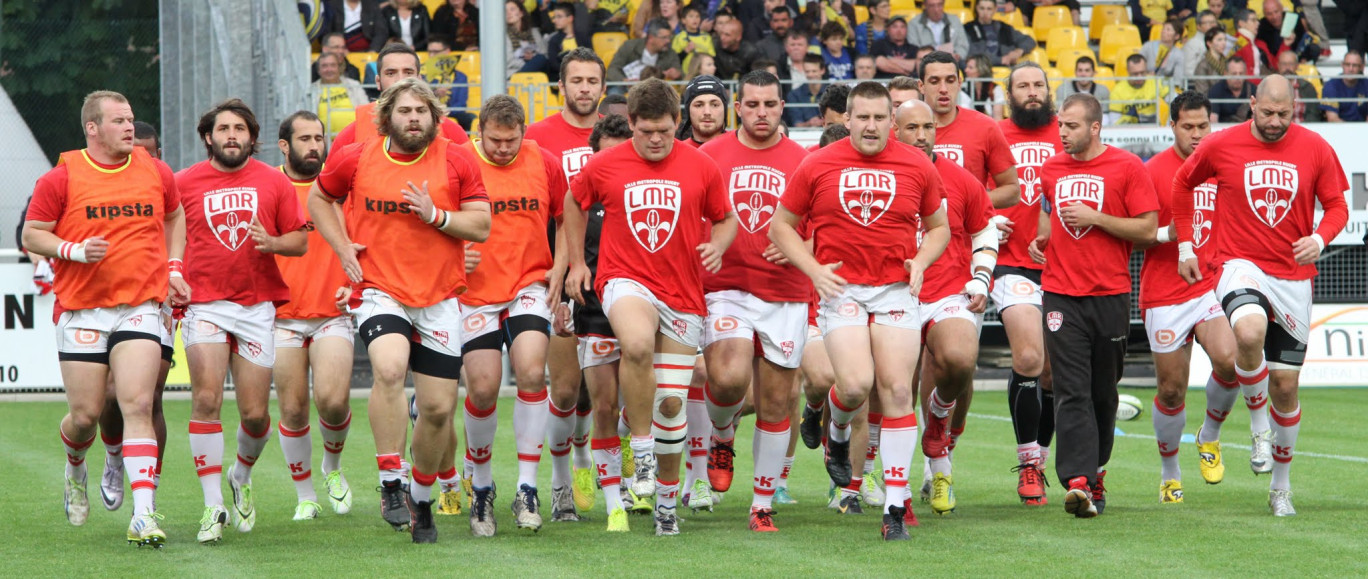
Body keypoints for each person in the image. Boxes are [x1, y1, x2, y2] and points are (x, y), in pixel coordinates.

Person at [310, 78, 491, 542]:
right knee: (389, 369)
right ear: (387, 116)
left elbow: (482, 225)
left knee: (436, 409)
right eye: (405, 111)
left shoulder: (456, 157)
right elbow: (319, 197)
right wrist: (342, 247)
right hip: (379, 289)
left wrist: (437, 216)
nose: (414, 118)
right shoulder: (357, 157)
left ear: (435, 117)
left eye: (422, 111)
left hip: (439, 297)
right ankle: (391, 478)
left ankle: (422, 499)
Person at [771, 81, 949, 541]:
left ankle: (893, 506)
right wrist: (812, 269)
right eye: (862, 117)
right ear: (846, 119)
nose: (871, 126)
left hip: (893, 290)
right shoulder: (816, 163)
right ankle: (834, 427)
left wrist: (921, 263)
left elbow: (939, 229)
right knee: (853, 385)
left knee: (895, 391)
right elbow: (781, 226)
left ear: (892, 122)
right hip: (842, 288)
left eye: (879, 118)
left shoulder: (917, 164)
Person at [562, 78, 738, 536]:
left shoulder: (701, 166)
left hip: (682, 292)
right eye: (646, 131)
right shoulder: (605, 164)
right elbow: (574, 201)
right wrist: (578, 262)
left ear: (676, 124)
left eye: (663, 130)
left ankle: (664, 503)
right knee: (636, 344)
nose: (655, 139)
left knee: (673, 404)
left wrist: (718, 246)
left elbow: (725, 218)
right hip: (624, 279)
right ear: (633, 125)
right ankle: (639, 447)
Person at [1171, 75, 1349, 516]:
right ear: (1251, 104)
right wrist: (1186, 246)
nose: (1274, 122)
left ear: (1296, 109)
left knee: (1286, 387)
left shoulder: (1316, 148)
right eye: (1266, 113)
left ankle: (1281, 487)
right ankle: (1256, 425)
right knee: (1248, 333)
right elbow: (1182, 185)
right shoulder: (1221, 144)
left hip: (1292, 275)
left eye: (1283, 114)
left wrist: (1321, 238)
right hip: (1238, 264)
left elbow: (1339, 205)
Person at [24, 90, 187, 547]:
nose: (129, 127)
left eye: (131, 119)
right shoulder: (62, 176)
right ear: (92, 128)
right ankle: (76, 467)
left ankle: (144, 513)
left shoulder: (155, 170)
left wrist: (173, 268)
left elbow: (176, 217)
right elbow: (32, 233)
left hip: (140, 305)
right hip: (81, 308)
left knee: (136, 404)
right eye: (118, 121)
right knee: (86, 416)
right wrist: (73, 250)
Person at [177, 99, 309, 543]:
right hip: (205, 303)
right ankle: (213, 505)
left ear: (253, 138)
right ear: (207, 137)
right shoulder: (181, 184)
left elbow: (298, 241)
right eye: (223, 128)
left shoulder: (275, 181)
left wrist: (272, 243)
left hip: (257, 306)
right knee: (207, 398)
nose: (231, 135)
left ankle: (240, 474)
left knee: (254, 416)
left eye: (240, 129)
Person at [1028, 92, 1158, 518]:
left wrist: (1097, 218)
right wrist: (1042, 237)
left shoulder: (1127, 168)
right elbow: (1049, 211)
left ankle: (1097, 471)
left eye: (1071, 126)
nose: (1062, 133)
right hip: (1061, 294)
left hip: (1110, 294)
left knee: (1104, 391)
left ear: (1095, 127)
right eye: (1060, 125)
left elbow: (1147, 228)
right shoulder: (1050, 168)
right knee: (1070, 388)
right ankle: (1078, 481)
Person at [695, 70, 809, 532]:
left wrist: (803, 245)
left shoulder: (805, 161)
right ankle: (722, 434)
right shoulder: (708, 155)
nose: (762, 112)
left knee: (777, 402)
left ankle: (761, 505)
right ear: (737, 107)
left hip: (785, 293)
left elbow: (826, 224)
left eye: (770, 104)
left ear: (783, 107)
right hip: (726, 287)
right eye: (753, 104)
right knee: (727, 379)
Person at [458, 95, 567, 535]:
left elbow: (567, 213)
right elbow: (436, 218)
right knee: (482, 389)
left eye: (512, 140)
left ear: (524, 131)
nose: (504, 149)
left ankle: (527, 487)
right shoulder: (459, 161)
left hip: (529, 283)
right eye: (495, 140)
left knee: (531, 372)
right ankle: (481, 489)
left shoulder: (543, 161)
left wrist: (563, 263)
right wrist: (452, 252)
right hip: (475, 291)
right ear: (479, 130)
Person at [893, 98, 998, 517]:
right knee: (894, 391)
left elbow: (985, 228)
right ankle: (912, 484)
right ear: (894, 131)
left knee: (959, 358)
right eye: (912, 128)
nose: (921, 136)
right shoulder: (878, 175)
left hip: (946, 290)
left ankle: (938, 419)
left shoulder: (960, 179)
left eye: (928, 127)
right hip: (891, 295)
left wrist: (981, 277)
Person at [1138, 91, 1240, 505]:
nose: (1197, 135)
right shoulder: (1151, 172)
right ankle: (1169, 472)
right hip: (1164, 290)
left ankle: (1209, 435)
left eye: (1203, 126)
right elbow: (1139, 230)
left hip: (1209, 287)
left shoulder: (1222, 169)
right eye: (1188, 127)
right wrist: (1166, 236)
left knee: (1231, 362)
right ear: (1173, 126)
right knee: (1171, 390)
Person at [525, 47, 607, 520]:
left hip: (606, 276)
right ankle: (560, 484)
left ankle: (582, 455)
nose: (584, 89)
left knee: (600, 391)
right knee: (564, 388)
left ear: (602, 87)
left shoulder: (621, 135)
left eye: (592, 81)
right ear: (561, 86)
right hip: (553, 276)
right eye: (575, 80)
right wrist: (555, 270)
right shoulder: (536, 139)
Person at [270, 110, 356, 521]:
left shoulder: (341, 189)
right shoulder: (269, 186)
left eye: (319, 138)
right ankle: (305, 494)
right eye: (304, 138)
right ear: (284, 145)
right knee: (292, 409)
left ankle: (333, 469)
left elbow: (365, 241)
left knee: (334, 401)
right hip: (280, 316)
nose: (314, 146)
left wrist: (355, 285)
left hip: (332, 312)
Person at [562, 113, 634, 531]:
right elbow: (561, 242)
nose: (612, 164)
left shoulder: (645, 192)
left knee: (643, 397)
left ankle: (626, 451)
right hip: (593, 308)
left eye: (619, 155)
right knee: (594, 400)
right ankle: (596, 475)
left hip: (648, 305)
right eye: (604, 156)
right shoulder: (582, 201)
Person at [994, 62, 1062, 506]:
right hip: (1009, 264)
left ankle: (1039, 453)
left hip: (1062, 270)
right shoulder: (993, 136)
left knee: (1054, 373)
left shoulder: (1070, 131)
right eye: (1023, 86)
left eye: (1038, 85)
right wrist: (988, 221)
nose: (1032, 93)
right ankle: (1030, 465)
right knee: (1030, 355)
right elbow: (972, 192)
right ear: (1009, 93)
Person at [328, 43, 469, 159]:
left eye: (408, 72)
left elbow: (474, 183)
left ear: (419, 79)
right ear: (378, 81)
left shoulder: (449, 129)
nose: (400, 80)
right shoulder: (352, 133)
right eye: (391, 73)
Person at [919, 51, 1018, 209]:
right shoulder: (901, 130)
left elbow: (1012, 190)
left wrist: (969, 201)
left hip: (969, 232)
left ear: (959, 83)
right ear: (921, 86)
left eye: (950, 81)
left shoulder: (985, 127)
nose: (943, 89)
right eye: (934, 81)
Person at [606, 19, 683, 90]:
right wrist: (624, 81)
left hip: (655, 90)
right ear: (651, 38)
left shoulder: (670, 53)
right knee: (615, 93)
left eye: (669, 37)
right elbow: (612, 69)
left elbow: (681, 73)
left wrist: (677, 74)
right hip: (625, 88)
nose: (668, 41)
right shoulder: (629, 46)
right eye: (664, 37)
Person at [309, 53, 371, 136]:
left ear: (339, 68)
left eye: (333, 65)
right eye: (324, 66)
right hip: (326, 141)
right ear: (318, 70)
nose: (329, 69)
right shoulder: (312, 90)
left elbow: (366, 110)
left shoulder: (353, 85)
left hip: (356, 136)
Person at [964, 0, 1035, 66]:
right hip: (981, 68)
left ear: (995, 9)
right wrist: (1000, 60)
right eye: (982, 8)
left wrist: (1018, 51)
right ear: (977, 8)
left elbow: (1029, 40)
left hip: (1007, 67)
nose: (985, 12)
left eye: (989, 9)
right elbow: (971, 54)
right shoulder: (968, 28)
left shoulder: (1004, 28)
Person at [1110, 53, 1170, 125]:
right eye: (1135, 74)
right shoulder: (1117, 91)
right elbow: (1114, 121)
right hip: (1128, 129)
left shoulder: (1155, 81)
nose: (1140, 77)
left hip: (1153, 127)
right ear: (1128, 71)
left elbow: (1173, 100)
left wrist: (1168, 124)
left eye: (1142, 72)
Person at [1256, 0, 1321, 64]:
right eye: (1269, 14)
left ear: (1282, 9)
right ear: (1264, 14)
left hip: (1296, 55)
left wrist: (1304, 58)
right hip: (1276, 59)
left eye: (1276, 12)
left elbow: (1303, 40)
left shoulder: (1293, 18)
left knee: (1314, 48)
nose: (1274, 16)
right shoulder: (1261, 26)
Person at [677, 75, 730, 146]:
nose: (707, 112)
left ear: (725, 109)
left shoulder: (739, 148)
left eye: (715, 105)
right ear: (688, 110)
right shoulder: (677, 153)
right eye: (699, 105)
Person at [547, 3, 592, 82]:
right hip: (562, 78)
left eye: (559, 16)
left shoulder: (583, 38)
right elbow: (553, 64)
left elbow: (591, 58)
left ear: (570, 18)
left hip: (583, 76)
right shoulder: (554, 40)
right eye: (554, 17)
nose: (555, 20)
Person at [1321, 50, 1368, 122]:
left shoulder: (1366, 84)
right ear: (1342, 65)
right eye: (1347, 64)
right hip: (1338, 130)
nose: (1350, 69)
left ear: (1361, 67)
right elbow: (1332, 119)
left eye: (1355, 65)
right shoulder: (1331, 86)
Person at [505, 0, 549, 77]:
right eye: (505, 11)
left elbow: (544, 54)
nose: (508, 13)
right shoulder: (503, 35)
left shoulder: (534, 32)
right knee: (539, 59)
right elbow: (508, 60)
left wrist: (533, 58)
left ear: (521, 13)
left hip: (537, 71)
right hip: (515, 73)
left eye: (512, 9)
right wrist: (528, 62)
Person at [323, 0, 387, 52]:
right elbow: (326, 32)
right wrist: (340, 49)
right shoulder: (332, 5)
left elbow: (381, 32)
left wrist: (373, 50)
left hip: (368, 52)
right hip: (339, 52)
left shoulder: (371, 5)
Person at [1183, 11, 1232, 80]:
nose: (1212, 25)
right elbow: (1188, 71)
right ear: (1198, 26)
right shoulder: (1192, 44)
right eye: (1207, 23)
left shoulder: (1222, 41)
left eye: (1213, 22)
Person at [1277, 49, 1322, 123]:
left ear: (1297, 66)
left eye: (1291, 64)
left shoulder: (1308, 87)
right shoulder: (1269, 87)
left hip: (1303, 129)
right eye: (1284, 64)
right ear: (1278, 65)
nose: (1287, 68)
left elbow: (1313, 114)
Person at [784, 54, 827, 128]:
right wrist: (809, 123)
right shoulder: (794, 95)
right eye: (807, 71)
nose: (810, 75)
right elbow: (796, 125)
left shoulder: (832, 93)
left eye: (814, 71)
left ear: (822, 71)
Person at [674, 3, 717, 75]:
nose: (695, 19)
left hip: (705, 74)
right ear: (683, 20)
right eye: (691, 16)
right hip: (686, 75)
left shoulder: (706, 37)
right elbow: (675, 60)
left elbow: (712, 56)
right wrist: (685, 51)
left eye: (697, 16)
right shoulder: (679, 37)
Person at [1208, 56, 1254, 123]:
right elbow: (1213, 121)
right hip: (1224, 131)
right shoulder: (1215, 91)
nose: (1238, 77)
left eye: (1241, 74)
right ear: (1225, 74)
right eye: (1234, 74)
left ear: (1245, 73)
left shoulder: (1253, 90)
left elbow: (1257, 119)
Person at [1190, 26, 1229, 97]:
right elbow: (1201, 91)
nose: (1224, 43)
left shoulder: (1228, 62)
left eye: (1225, 40)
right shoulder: (1202, 65)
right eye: (1219, 40)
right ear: (1209, 43)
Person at [963, 54, 1005, 118]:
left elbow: (998, 119)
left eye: (970, 68)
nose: (966, 70)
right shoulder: (963, 89)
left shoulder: (995, 89)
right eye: (966, 67)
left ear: (981, 70)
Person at [1232, 8, 1270, 77]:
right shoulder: (1237, 43)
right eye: (1253, 20)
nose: (1258, 23)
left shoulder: (1261, 44)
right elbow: (1237, 72)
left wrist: (1285, 44)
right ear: (1242, 24)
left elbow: (1273, 65)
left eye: (1257, 20)